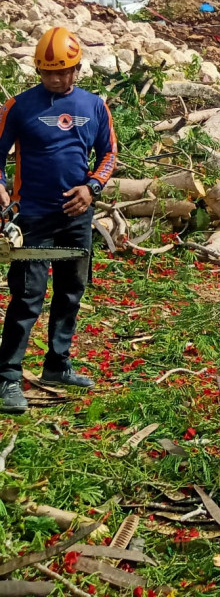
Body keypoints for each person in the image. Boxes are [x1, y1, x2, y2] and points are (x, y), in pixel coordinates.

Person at [0, 27, 117, 414]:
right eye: (48, 72)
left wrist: (92, 188)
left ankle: (57, 365)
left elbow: (109, 154)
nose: (55, 78)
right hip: (32, 218)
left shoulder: (94, 106)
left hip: (76, 218)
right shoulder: (18, 106)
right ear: (38, 70)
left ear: (77, 69)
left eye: (63, 71)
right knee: (27, 296)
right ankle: (7, 377)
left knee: (70, 291)